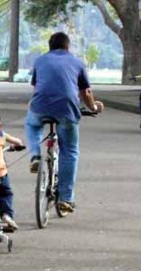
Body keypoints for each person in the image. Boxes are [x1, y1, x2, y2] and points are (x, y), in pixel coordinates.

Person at [25, 32, 104, 214]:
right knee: (70, 151)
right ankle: (66, 199)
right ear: (68, 47)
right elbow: (86, 92)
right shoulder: (77, 62)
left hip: (40, 106)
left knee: (32, 124)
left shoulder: (40, 61)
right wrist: (93, 107)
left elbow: (38, 87)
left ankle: (35, 155)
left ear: (49, 46)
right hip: (67, 110)